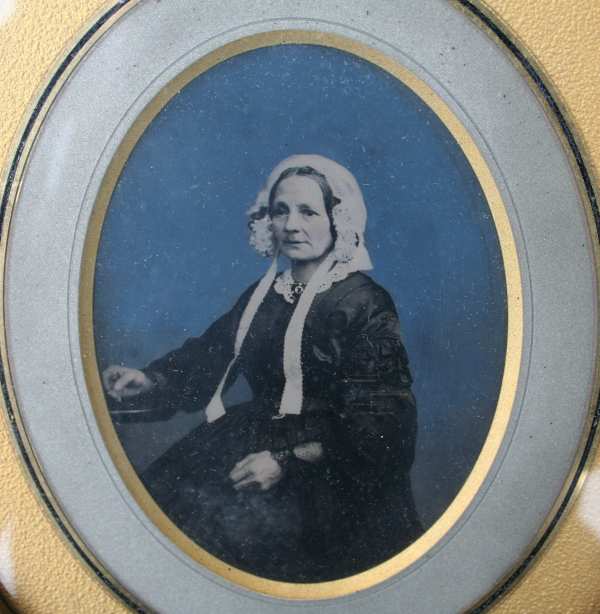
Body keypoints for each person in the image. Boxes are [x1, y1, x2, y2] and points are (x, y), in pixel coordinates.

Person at [102, 154, 422, 582]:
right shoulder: (263, 294)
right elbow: (211, 355)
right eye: (280, 211)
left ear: (337, 219)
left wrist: (287, 461)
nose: (291, 225)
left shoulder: (363, 302)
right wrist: (150, 379)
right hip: (247, 439)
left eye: (308, 211)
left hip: (328, 468)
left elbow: (384, 422)